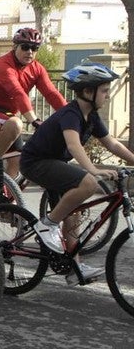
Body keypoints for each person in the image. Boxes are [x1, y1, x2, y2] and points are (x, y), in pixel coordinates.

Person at [19, 63, 134, 285]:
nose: (108, 96)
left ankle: (74, 268)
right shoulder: (71, 114)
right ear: (88, 92)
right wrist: (93, 169)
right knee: (88, 183)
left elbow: (112, 144)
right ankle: (47, 224)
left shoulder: (91, 117)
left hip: (54, 163)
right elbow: (73, 145)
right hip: (36, 162)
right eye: (104, 91)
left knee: (74, 213)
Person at [0, 28, 67, 178]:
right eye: (25, 47)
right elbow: (18, 93)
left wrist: (71, 114)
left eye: (34, 48)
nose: (30, 52)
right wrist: (34, 121)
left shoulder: (37, 69)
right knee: (16, 124)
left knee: (16, 160)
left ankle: (6, 192)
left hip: (5, 115)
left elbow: (51, 93)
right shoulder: (3, 66)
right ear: (15, 47)